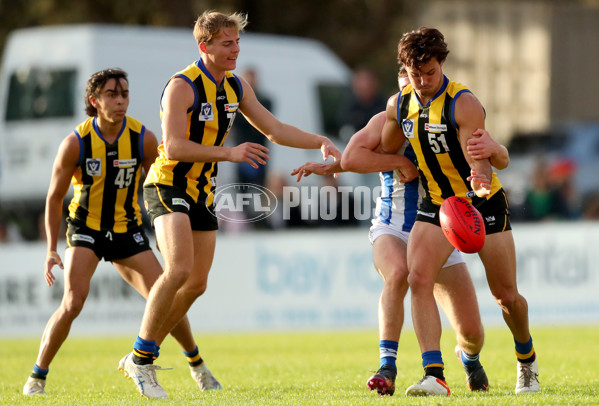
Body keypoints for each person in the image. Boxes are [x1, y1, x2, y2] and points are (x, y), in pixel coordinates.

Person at [119, 11, 341, 399]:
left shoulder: (236, 86)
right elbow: (171, 147)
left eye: (237, 42)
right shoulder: (182, 86)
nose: (235, 49)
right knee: (179, 269)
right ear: (204, 46)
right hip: (167, 184)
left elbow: (275, 129)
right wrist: (231, 153)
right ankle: (141, 361)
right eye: (227, 43)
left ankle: (142, 352)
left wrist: (318, 139)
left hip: (201, 191)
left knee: (197, 283)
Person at [291, 68, 509, 396]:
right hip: (392, 227)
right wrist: (397, 161)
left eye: (420, 83)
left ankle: (469, 357)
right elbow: (353, 156)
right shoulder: (386, 119)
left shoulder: (449, 119)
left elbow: (482, 156)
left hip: (440, 231)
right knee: (398, 273)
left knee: (473, 333)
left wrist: (487, 168)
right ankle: (388, 367)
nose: (415, 92)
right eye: (407, 83)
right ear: (399, 88)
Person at [22, 69, 218, 396]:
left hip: (127, 230)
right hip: (86, 229)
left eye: (124, 93)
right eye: (112, 94)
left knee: (163, 291)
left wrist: (168, 222)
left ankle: (196, 364)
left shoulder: (144, 139)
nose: (120, 100)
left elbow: (160, 184)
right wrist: (50, 249)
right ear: (94, 101)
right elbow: (54, 197)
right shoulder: (76, 143)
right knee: (73, 301)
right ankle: (36, 377)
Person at [379, 27, 538, 396]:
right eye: (415, 74)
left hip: (479, 203)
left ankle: (526, 359)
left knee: (506, 296)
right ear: (404, 69)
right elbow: (386, 143)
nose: (422, 82)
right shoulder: (398, 104)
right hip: (436, 204)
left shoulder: (462, 103)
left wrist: (482, 178)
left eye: (430, 72)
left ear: (442, 64)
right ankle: (434, 375)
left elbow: (481, 160)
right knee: (418, 279)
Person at [338, 68, 387, 141]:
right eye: (361, 87)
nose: (365, 87)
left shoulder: (385, 105)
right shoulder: (350, 107)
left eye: (368, 85)